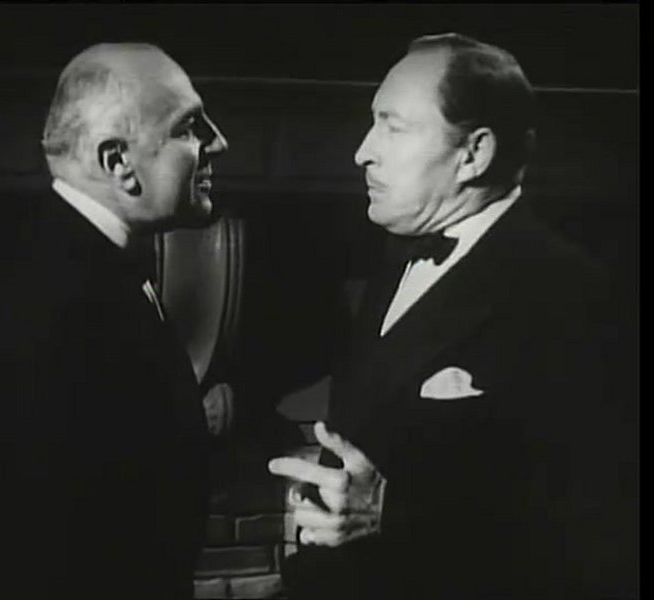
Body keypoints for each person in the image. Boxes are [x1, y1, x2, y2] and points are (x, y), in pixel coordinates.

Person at [269, 33, 635, 599]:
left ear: (474, 154)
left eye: (393, 127)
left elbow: (597, 537)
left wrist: (393, 511)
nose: (363, 151)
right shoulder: (398, 259)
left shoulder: (573, 295)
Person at [0, 43, 228, 599]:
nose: (218, 143)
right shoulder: (46, 297)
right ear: (117, 162)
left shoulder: (88, 261)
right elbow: (50, 546)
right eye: (189, 127)